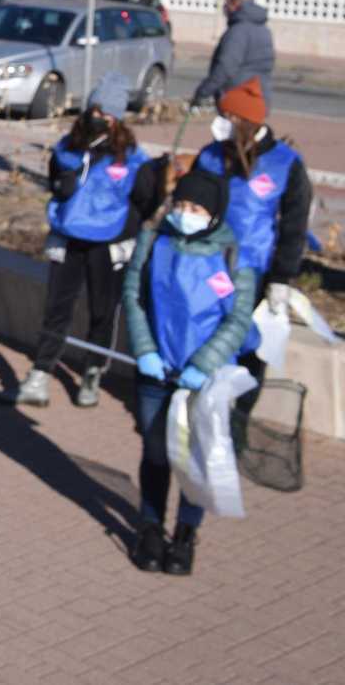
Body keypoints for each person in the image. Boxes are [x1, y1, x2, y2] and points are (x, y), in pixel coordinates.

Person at [121, 169, 256, 577]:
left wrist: (202, 365)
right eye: (180, 205)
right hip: (156, 373)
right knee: (157, 452)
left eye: (195, 208)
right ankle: (149, 527)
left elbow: (238, 319)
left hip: (205, 378)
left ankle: (185, 534)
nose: (185, 213)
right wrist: (144, 350)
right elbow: (133, 297)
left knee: (195, 457)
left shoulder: (233, 256)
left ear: (213, 215)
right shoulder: (154, 239)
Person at [9, 74, 164, 408]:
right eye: (94, 109)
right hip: (68, 238)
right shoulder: (68, 148)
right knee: (56, 308)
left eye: (106, 113)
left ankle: (93, 372)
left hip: (108, 244)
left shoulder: (133, 158)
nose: (97, 117)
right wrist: (61, 190)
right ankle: (40, 374)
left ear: (118, 118)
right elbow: (54, 179)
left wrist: (126, 233)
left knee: (103, 310)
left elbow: (146, 200)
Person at [192, 75, 312, 422]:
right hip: (209, 267)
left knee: (249, 350)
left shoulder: (285, 163)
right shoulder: (211, 156)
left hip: (255, 272)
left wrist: (282, 277)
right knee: (208, 342)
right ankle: (203, 413)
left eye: (227, 117)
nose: (220, 124)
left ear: (243, 121)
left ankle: (239, 420)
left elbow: (294, 226)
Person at [191, 0, 274, 108]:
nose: (225, 8)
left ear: (235, 4)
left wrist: (203, 92)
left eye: (227, 4)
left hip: (238, 100)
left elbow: (226, 67)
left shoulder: (238, 31)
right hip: (258, 99)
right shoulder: (264, 30)